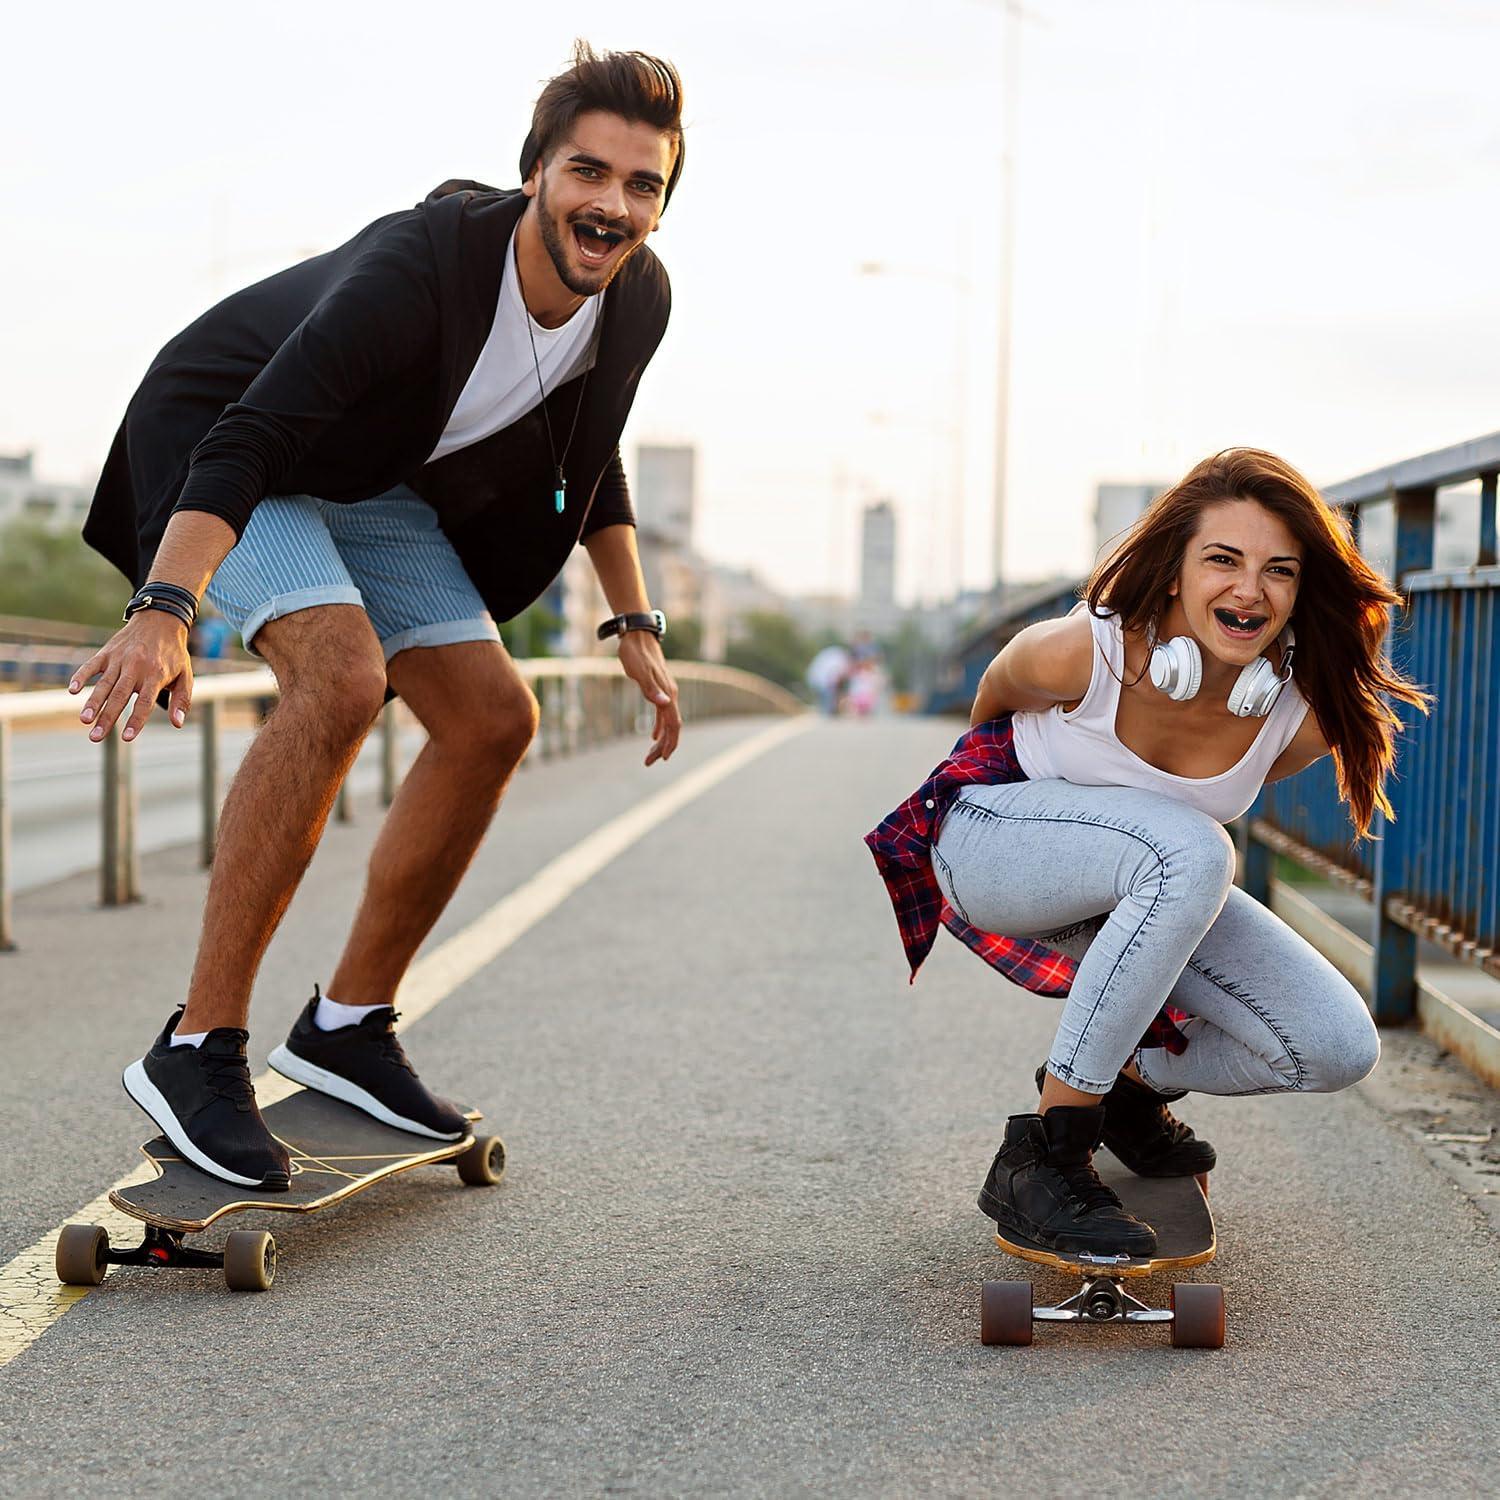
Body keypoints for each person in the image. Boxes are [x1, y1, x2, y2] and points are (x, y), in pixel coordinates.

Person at [73, 43, 686, 1191]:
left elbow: (589, 452)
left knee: (494, 718)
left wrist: (634, 622)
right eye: (587, 172)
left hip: (364, 474)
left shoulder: (634, 297)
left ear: (661, 202)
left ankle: (348, 1029)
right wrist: (165, 604)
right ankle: (197, 1046)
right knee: (343, 678)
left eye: (641, 184)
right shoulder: (425, 265)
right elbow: (253, 435)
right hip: (226, 439)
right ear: (535, 173)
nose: (611, 204)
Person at [867, 449, 1429, 1255]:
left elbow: (1191, 826)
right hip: (995, 845)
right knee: (1197, 849)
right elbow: (989, 711)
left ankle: (1130, 1086)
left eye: (1278, 570)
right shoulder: (1088, 651)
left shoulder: (1296, 716)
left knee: (1335, 1047)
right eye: (1223, 560)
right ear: (1173, 574)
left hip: (1142, 883)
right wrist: (1033, 827)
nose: (1250, 590)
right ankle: (1045, 1154)